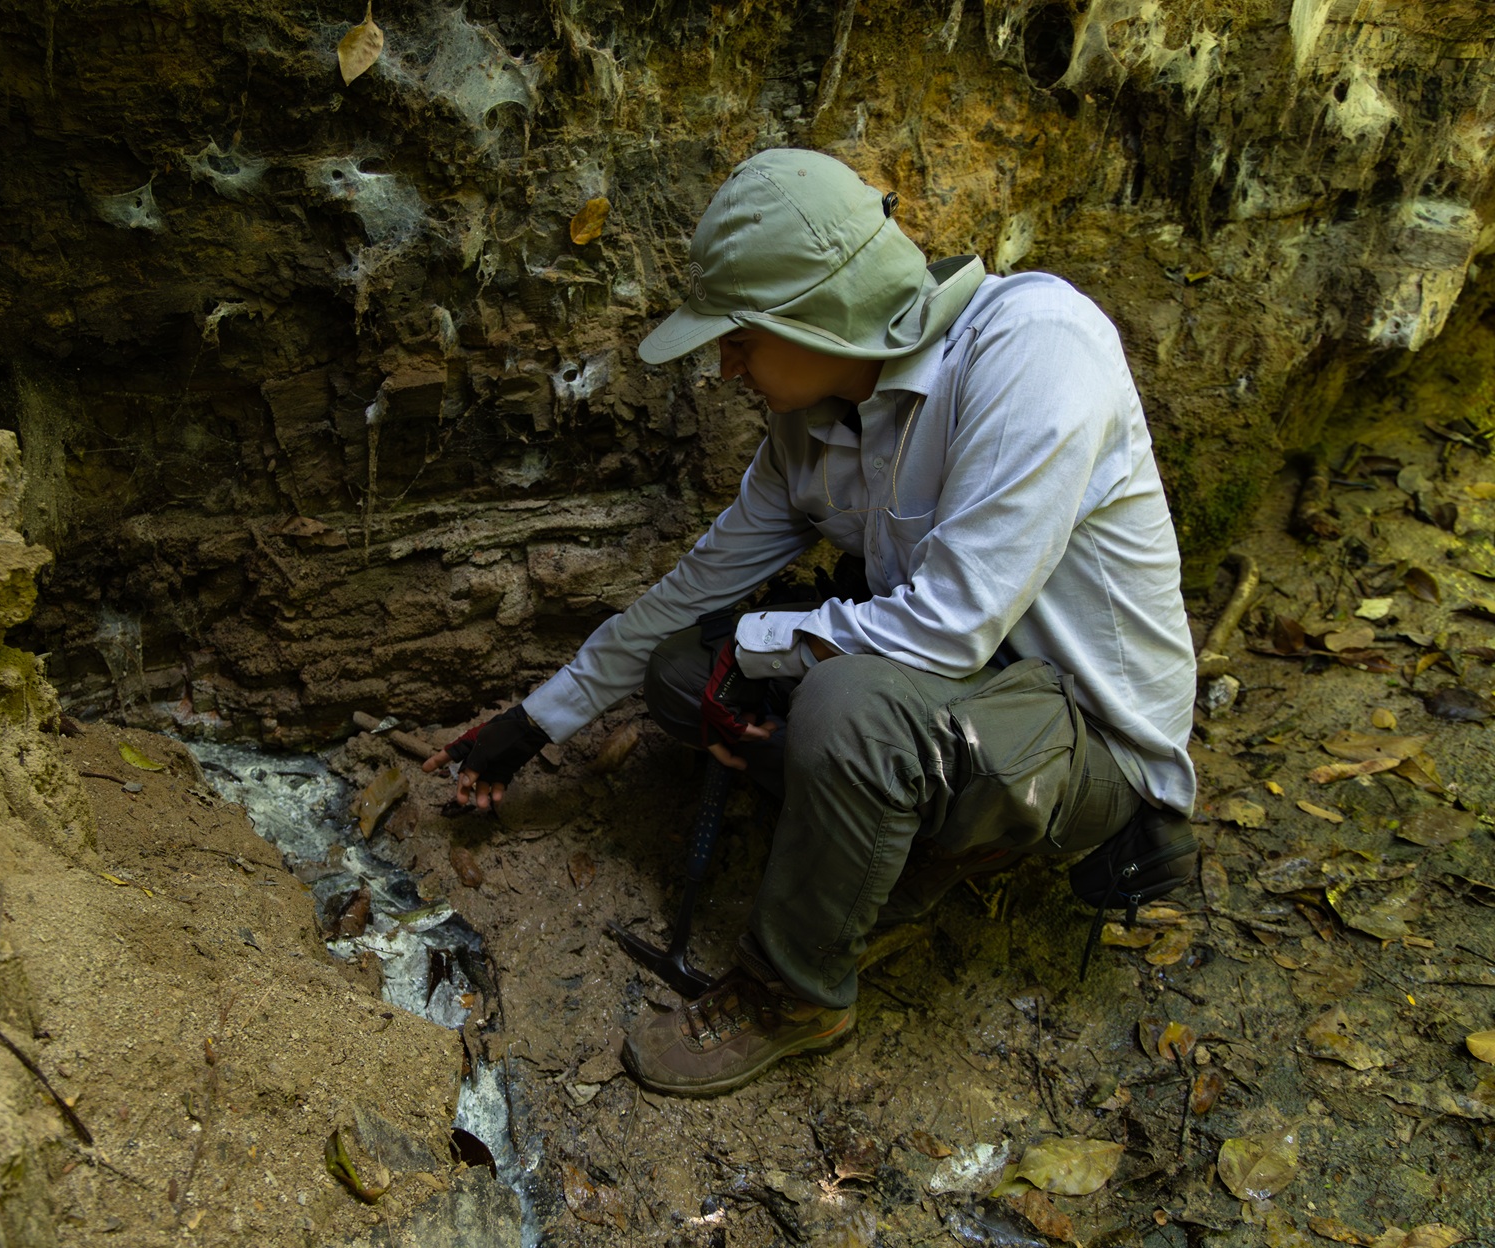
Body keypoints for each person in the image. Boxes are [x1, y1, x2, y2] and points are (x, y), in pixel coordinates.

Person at [423, 149, 1197, 1097]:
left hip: (1086, 744)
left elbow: (950, 630)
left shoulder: (1035, 347)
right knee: (680, 670)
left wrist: (766, 651)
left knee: (845, 703)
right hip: (957, 706)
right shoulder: (815, 426)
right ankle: (882, 848)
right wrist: (530, 726)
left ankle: (796, 990)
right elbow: (690, 591)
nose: (725, 366)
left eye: (740, 338)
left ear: (816, 312)